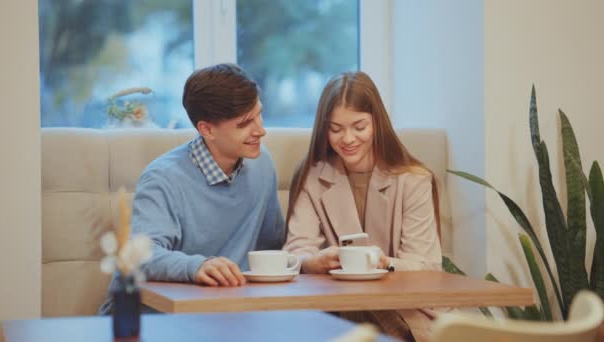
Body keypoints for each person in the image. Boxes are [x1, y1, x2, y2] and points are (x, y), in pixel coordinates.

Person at [99, 63, 285, 314]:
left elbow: (270, 246)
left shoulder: (262, 164)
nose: (260, 130)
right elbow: (141, 256)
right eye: (245, 124)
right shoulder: (162, 178)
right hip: (151, 319)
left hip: (225, 315)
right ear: (206, 129)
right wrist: (197, 267)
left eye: (259, 114)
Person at [283, 71, 442, 341]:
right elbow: (295, 252)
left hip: (404, 311)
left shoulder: (414, 179)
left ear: (377, 123)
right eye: (336, 129)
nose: (347, 139)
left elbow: (425, 265)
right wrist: (312, 262)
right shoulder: (312, 175)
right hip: (338, 311)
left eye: (359, 127)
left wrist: (383, 263)